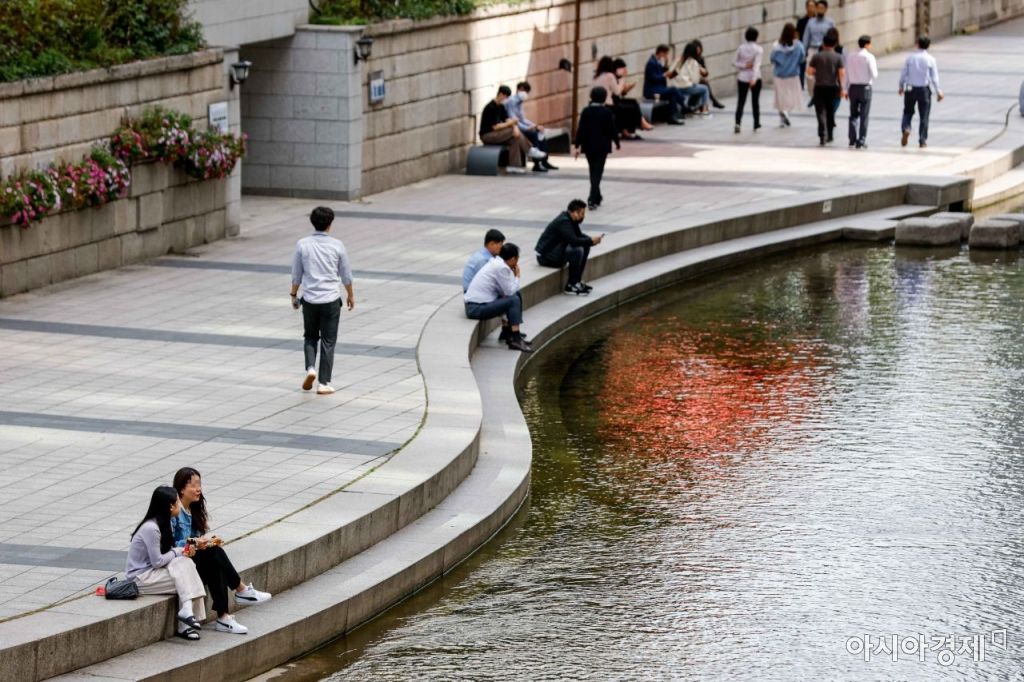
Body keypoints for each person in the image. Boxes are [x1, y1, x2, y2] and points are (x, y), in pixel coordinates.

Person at [172, 468, 271, 636]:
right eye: (193, 485)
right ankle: (240, 591)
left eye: (199, 484)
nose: (198, 489)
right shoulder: (174, 511)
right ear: (181, 489)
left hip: (191, 560)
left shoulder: (193, 510)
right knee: (214, 553)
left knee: (215, 560)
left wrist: (205, 541)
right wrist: (196, 542)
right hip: (179, 566)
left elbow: (195, 543)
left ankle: (224, 617)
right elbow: (171, 545)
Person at [126, 486, 206, 641]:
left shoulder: (165, 523)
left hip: (155, 572)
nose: (180, 505)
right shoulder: (151, 528)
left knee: (186, 564)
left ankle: (187, 612)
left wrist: (181, 552)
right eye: (177, 502)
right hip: (140, 578)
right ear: (170, 506)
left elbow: (166, 555)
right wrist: (178, 551)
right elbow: (157, 562)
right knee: (186, 578)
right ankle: (185, 622)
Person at [290, 206, 355, 396]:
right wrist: (350, 295)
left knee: (310, 336)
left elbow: (296, 274)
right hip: (331, 299)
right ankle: (324, 383)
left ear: (313, 222)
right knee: (328, 340)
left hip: (310, 299)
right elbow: (346, 274)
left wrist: (293, 295)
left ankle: (310, 368)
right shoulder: (337, 245)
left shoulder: (302, 244)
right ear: (330, 224)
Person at [464, 243, 532, 352]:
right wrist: (517, 276)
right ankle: (516, 338)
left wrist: (512, 276)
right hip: (476, 308)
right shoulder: (501, 267)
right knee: (513, 300)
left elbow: (506, 290)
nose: (517, 263)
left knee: (515, 295)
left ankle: (506, 332)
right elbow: (510, 291)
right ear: (513, 258)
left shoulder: (497, 263)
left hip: (476, 305)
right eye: (517, 259)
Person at [535, 199, 604, 296]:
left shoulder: (570, 219)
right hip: (546, 257)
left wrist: (591, 240)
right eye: (582, 214)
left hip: (555, 253)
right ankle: (571, 285)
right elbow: (574, 240)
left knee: (585, 246)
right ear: (574, 213)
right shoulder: (564, 221)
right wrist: (591, 241)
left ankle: (577, 282)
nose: (583, 217)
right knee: (577, 250)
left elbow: (579, 235)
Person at [480, 85, 546, 174]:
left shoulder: (501, 107)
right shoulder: (490, 107)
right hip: (487, 135)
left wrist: (515, 126)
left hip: (498, 134)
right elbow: (496, 127)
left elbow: (507, 120)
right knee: (512, 132)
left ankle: (514, 166)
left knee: (514, 139)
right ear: (500, 94)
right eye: (506, 97)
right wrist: (512, 125)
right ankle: (529, 150)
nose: (506, 99)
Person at [574, 86, 618, 210]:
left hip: (588, 146)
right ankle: (592, 198)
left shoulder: (586, 111)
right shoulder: (607, 112)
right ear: (604, 97)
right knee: (597, 172)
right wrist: (617, 142)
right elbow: (612, 129)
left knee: (593, 170)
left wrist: (577, 145)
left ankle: (597, 196)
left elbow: (581, 129)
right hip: (602, 147)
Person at [899, 36, 944, 148]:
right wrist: (938, 91)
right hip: (924, 90)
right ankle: (922, 140)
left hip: (910, 89)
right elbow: (934, 77)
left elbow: (904, 74)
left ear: (917, 44)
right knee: (924, 115)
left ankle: (906, 128)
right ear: (928, 46)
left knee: (908, 111)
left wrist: (901, 86)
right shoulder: (931, 59)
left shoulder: (910, 58)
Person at [504, 82, 558, 172]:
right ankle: (537, 164)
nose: (525, 93)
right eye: (524, 90)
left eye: (527, 92)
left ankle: (544, 161)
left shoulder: (519, 102)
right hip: (514, 128)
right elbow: (514, 120)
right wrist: (528, 128)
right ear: (518, 89)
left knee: (541, 133)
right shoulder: (511, 101)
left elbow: (523, 119)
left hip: (520, 126)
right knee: (534, 134)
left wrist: (535, 125)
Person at [807, 30, 845, 145]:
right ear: (834, 44)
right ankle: (830, 135)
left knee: (820, 112)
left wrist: (818, 72)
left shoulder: (817, 56)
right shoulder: (838, 57)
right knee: (830, 111)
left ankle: (822, 136)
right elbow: (841, 74)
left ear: (823, 44)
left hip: (819, 87)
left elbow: (809, 71)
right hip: (833, 88)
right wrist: (842, 88)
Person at [844, 34, 878, 148]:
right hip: (865, 88)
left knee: (853, 114)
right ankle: (861, 139)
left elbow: (846, 74)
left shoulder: (850, 56)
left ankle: (852, 139)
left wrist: (844, 89)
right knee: (864, 115)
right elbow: (874, 74)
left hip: (853, 87)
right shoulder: (869, 57)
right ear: (867, 44)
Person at [770, 23, 806, 127]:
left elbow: (772, 59)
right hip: (793, 74)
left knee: (780, 97)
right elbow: (802, 58)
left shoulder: (777, 45)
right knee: (791, 96)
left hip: (779, 75)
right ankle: (786, 113)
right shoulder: (798, 45)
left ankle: (782, 117)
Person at [643, 45, 687, 124]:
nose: (666, 56)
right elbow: (653, 77)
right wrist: (664, 75)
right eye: (666, 54)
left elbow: (664, 71)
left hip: (658, 88)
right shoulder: (651, 63)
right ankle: (684, 106)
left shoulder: (658, 61)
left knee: (672, 95)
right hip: (652, 91)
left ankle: (672, 116)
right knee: (673, 89)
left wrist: (666, 65)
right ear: (661, 53)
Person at [611, 58, 654, 137]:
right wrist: (622, 80)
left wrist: (628, 87)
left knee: (633, 102)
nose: (624, 71)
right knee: (630, 108)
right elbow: (616, 92)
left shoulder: (618, 78)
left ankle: (639, 123)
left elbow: (622, 93)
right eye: (622, 69)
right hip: (612, 103)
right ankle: (638, 124)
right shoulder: (612, 78)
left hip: (617, 100)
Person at [733, 27, 764, 133]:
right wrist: (754, 79)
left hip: (742, 77)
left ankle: (737, 123)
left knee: (741, 101)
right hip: (755, 78)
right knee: (755, 101)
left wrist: (744, 65)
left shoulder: (741, 48)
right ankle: (756, 123)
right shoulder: (758, 49)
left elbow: (734, 62)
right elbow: (756, 65)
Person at [671, 42, 711, 114]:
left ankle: (693, 106)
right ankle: (705, 109)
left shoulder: (678, 59)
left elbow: (671, 72)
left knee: (698, 87)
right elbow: (695, 79)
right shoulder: (693, 62)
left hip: (675, 86)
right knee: (704, 88)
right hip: (686, 87)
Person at [688, 41, 725, 109]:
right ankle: (712, 102)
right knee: (705, 83)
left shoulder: (700, 58)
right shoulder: (690, 59)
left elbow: (705, 72)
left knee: (704, 83)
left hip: (698, 79)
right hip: (690, 80)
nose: (698, 51)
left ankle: (703, 104)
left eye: (699, 49)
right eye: (697, 49)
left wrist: (702, 72)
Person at [795, 0, 817, 90]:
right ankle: (801, 86)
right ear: (806, 7)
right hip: (803, 48)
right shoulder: (801, 21)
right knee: (801, 67)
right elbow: (797, 34)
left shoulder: (819, 21)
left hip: (815, 47)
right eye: (809, 6)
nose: (811, 8)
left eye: (812, 6)